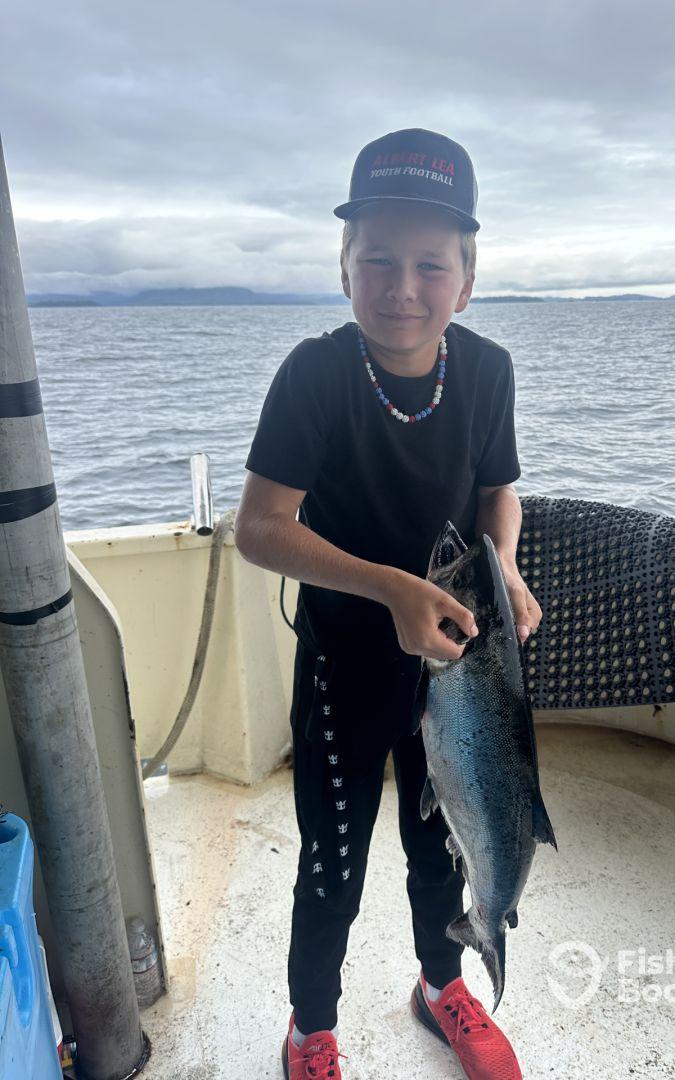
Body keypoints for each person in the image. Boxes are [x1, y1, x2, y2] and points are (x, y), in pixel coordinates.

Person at [235, 127, 542, 1080]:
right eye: (377, 260)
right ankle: (312, 1028)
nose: (401, 286)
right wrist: (389, 589)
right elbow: (259, 527)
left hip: (457, 670)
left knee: (439, 845)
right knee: (333, 866)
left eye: (428, 263)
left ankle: (441, 984)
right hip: (343, 665)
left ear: (466, 278)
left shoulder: (487, 372)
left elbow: (499, 493)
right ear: (344, 268)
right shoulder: (314, 376)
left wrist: (509, 564)